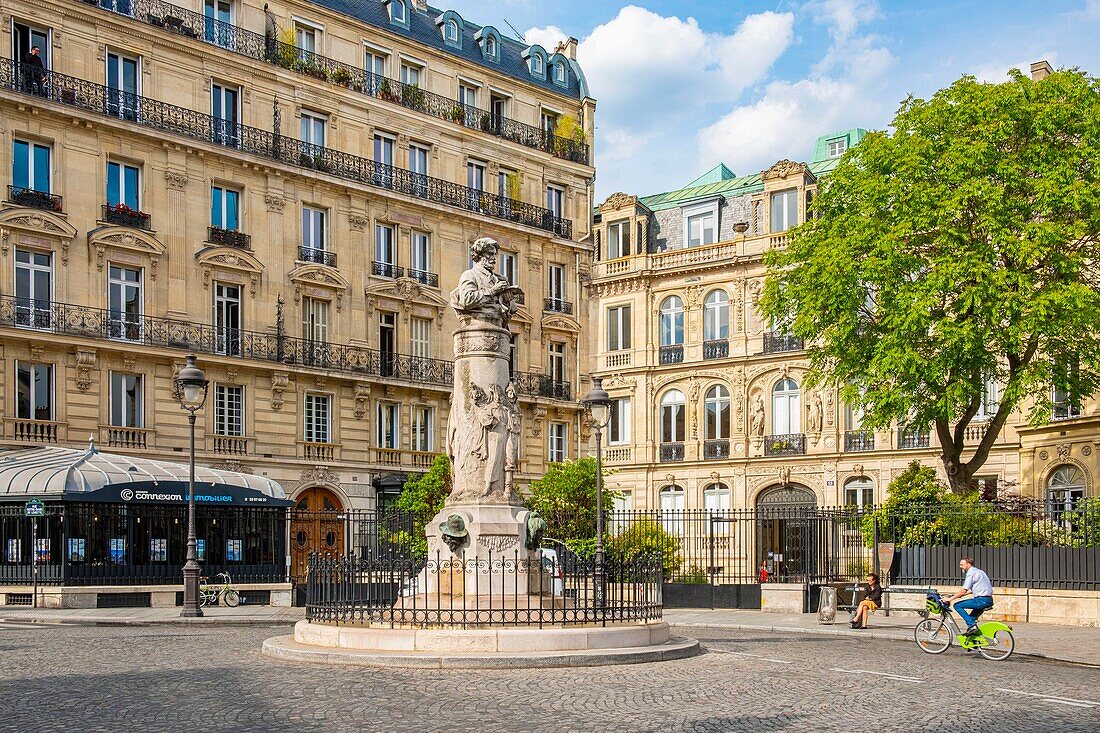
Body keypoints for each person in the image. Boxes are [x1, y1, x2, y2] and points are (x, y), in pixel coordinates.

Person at [944, 556, 994, 636]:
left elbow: (964, 590)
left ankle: (972, 626)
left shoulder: (971, 573)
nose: (960, 567)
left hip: (981, 600)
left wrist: (950, 599)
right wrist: (958, 595)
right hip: (988, 600)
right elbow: (971, 590)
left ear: (968, 564)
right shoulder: (979, 571)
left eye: (962, 564)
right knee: (971, 618)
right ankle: (975, 643)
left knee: (957, 605)